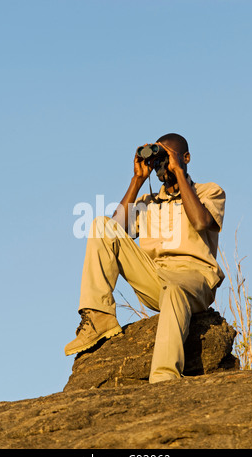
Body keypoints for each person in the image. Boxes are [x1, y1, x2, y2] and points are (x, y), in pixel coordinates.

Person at [64, 133, 226, 384]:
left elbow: (201, 221)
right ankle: (99, 317)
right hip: (154, 275)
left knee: (175, 289)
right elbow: (113, 231)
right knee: (100, 225)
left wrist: (179, 173)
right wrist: (137, 180)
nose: (163, 165)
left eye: (167, 156)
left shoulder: (209, 191)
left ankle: (163, 377)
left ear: (186, 158)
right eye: (159, 159)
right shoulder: (149, 202)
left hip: (194, 277)